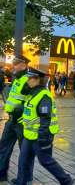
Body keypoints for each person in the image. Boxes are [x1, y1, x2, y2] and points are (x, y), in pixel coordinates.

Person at [16, 67, 74, 185]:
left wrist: (42, 137)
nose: (27, 81)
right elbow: (23, 91)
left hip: (42, 135)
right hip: (30, 135)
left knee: (45, 160)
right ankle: (22, 182)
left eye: (30, 79)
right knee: (23, 160)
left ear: (38, 80)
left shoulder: (44, 96)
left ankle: (66, 180)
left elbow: (45, 118)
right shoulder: (33, 92)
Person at [0, 55, 34, 183]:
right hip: (11, 120)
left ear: (24, 66)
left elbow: (37, 99)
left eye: (15, 64)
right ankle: (1, 174)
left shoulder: (29, 80)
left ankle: (25, 178)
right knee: (3, 147)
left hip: (22, 122)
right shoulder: (18, 79)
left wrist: (23, 106)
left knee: (25, 151)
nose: (12, 67)